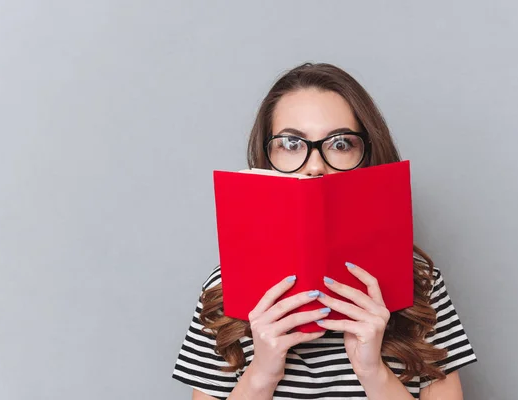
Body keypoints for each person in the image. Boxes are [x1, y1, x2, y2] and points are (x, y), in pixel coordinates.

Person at [172, 62, 477, 399]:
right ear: (265, 156)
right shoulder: (224, 287)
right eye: (290, 144)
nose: (315, 166)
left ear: (368, 154)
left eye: (341, 144)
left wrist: (373, 371)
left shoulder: (420, 283)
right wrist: (262, 373)